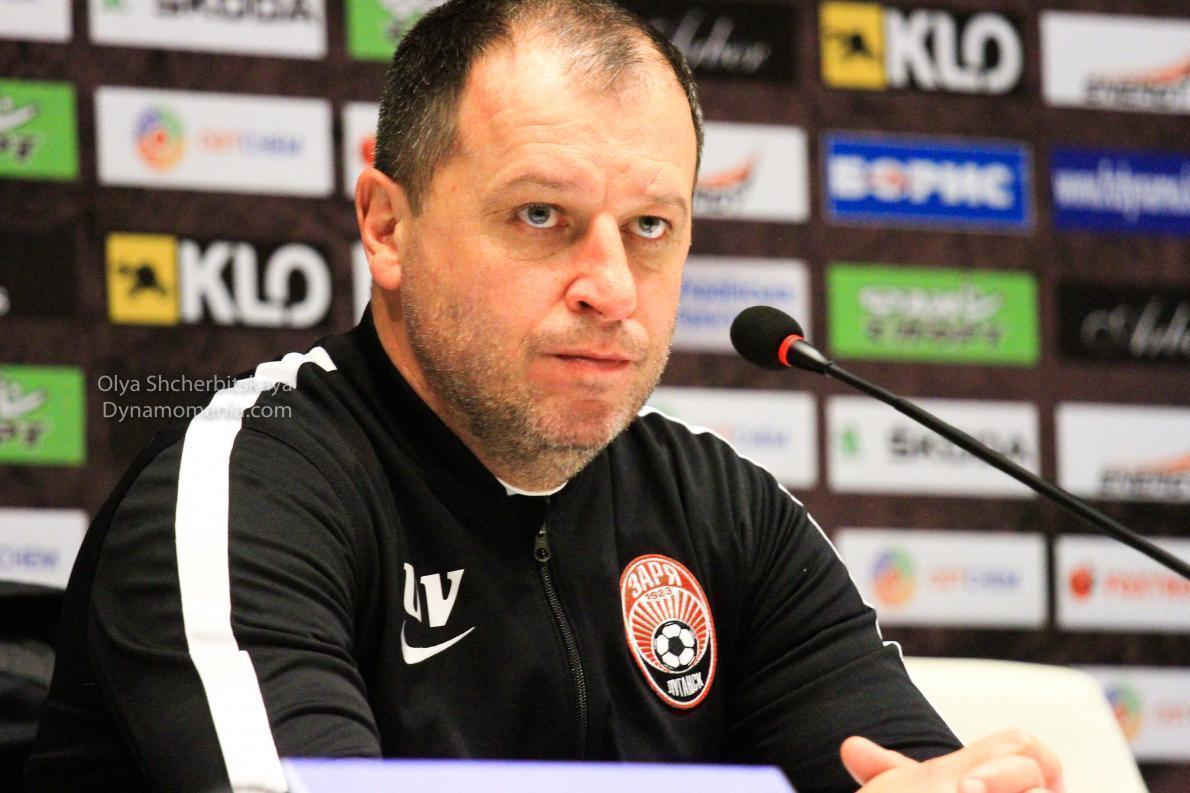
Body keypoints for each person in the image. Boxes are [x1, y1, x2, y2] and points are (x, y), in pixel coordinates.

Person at [24, 2, 1063, 792]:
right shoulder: (250, 489)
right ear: (386, 227)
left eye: (649, 227)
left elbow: (905, 772)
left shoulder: (725, 511)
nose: (611, 287)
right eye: (538, 215)